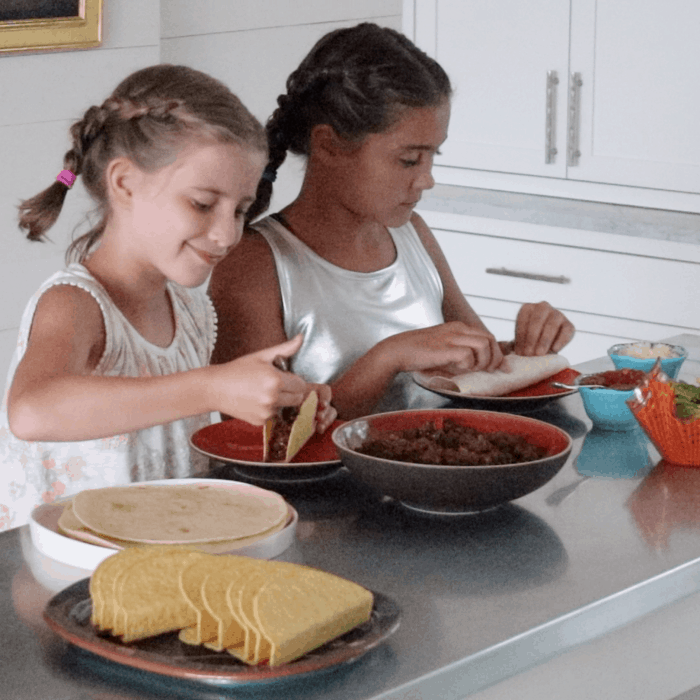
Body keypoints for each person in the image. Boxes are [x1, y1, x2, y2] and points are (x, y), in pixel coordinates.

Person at [0, 64, 335, 532]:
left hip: (162, 555)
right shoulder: (75, 303)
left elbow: (180, 427)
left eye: (240, 210)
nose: (227, 233)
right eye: (201, 203)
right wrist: (212, 385)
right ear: (124, 184)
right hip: (71, 573)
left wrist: (279, 407)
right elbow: (32, 411)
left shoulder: (192, 312)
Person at [209, 23, 575, 420]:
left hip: (432, 478)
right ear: (329, 144)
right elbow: (263, 436)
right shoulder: (253, 263)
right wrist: (388, 357)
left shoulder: (411, 233)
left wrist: (528, 347)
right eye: (408, 159)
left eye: (434, 156)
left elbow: (479, 363)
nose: (427, 178)